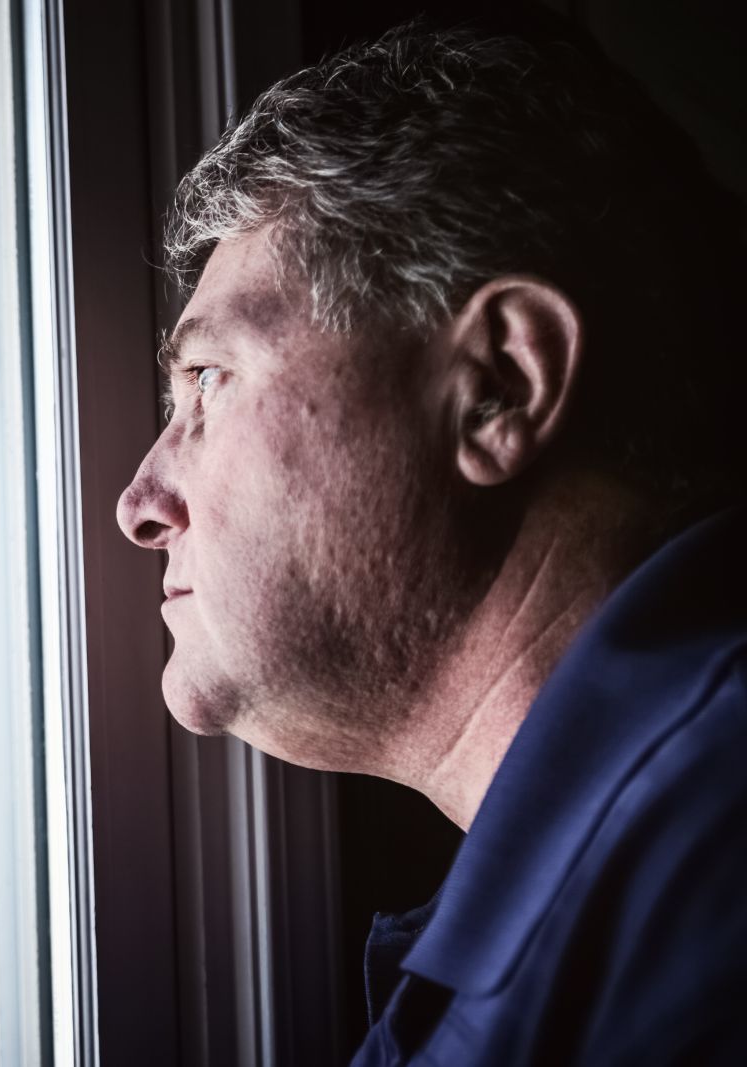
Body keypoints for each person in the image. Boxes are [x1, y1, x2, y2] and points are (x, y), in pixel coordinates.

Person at [114, 19, 747, 1066]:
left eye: (207, 382)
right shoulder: (619, 874)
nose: (138, 501)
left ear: (497, 385)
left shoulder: (700, 870)